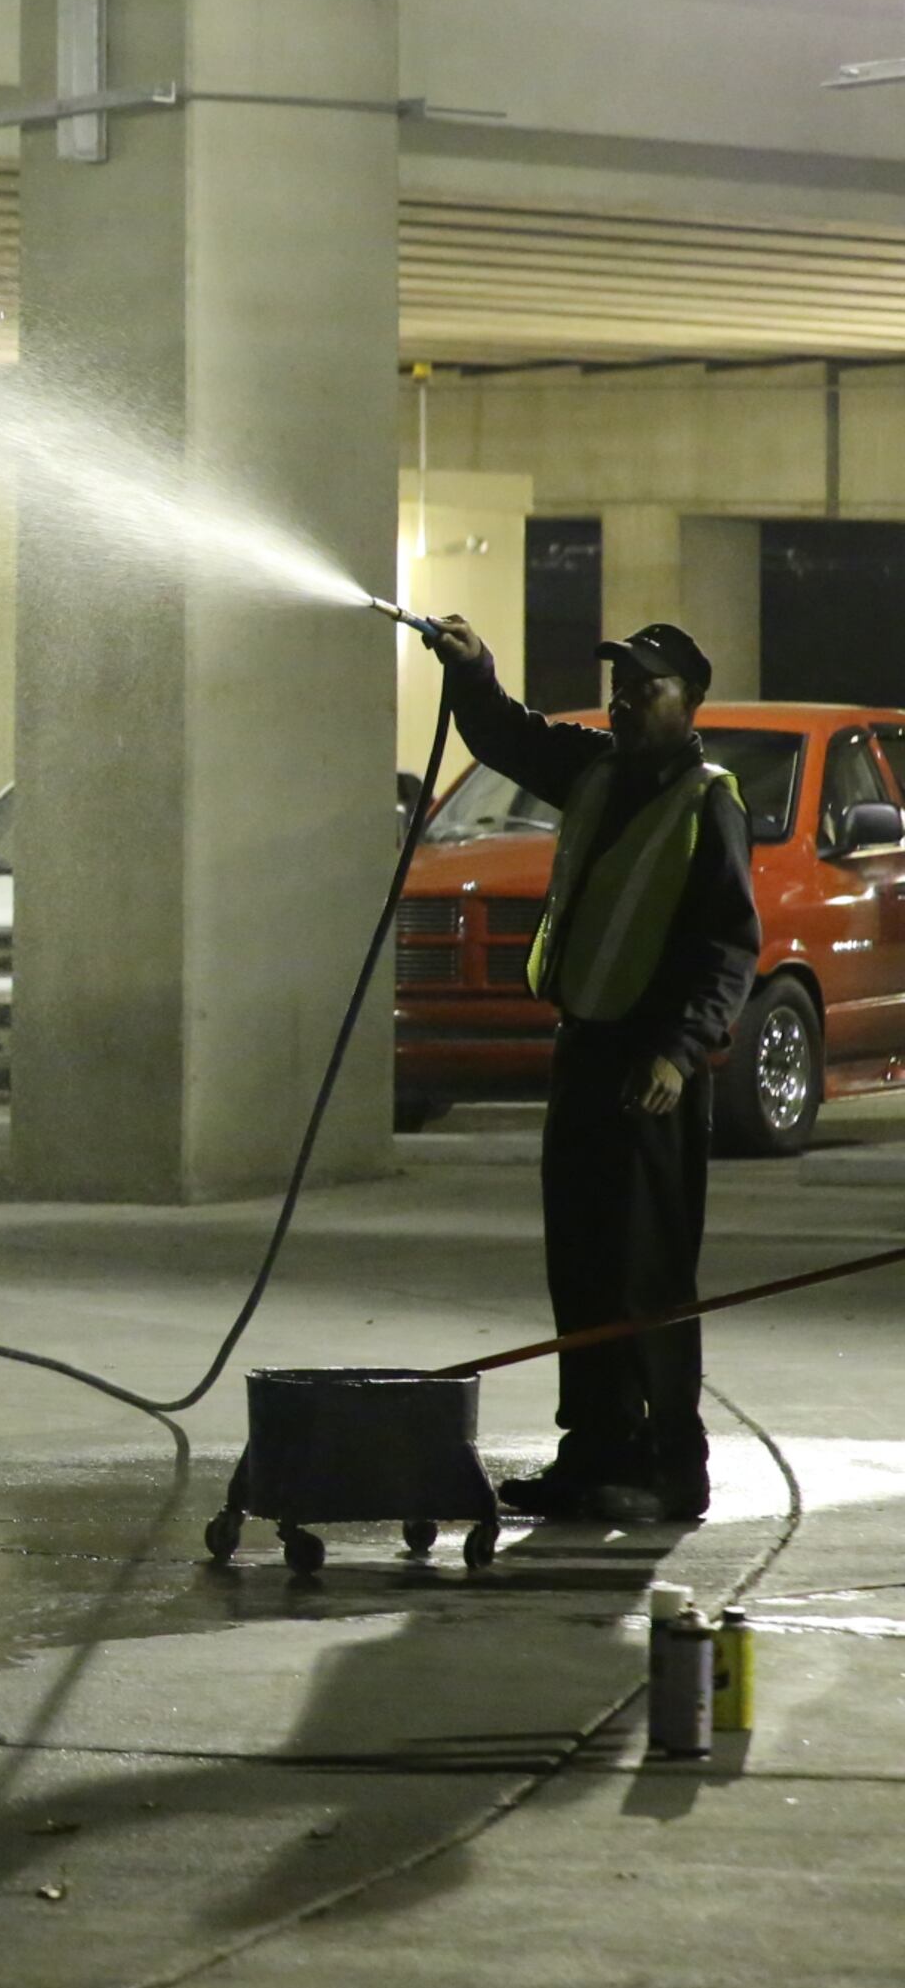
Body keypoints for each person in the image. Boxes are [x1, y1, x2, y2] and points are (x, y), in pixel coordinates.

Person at [418, 616, 758, 1523]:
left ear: (690, 703)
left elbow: (729, 946)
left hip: (653, 1070)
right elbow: (506, 736)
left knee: (646, 1270)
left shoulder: (707, 799)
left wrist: (682, 1053)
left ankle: (668, 1468)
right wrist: (476, 672)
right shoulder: (596, 770)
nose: (624, 702)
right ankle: (595, 1451)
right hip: (586, 1051)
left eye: (645, 689)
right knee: (581, 1261)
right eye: (619, 687)